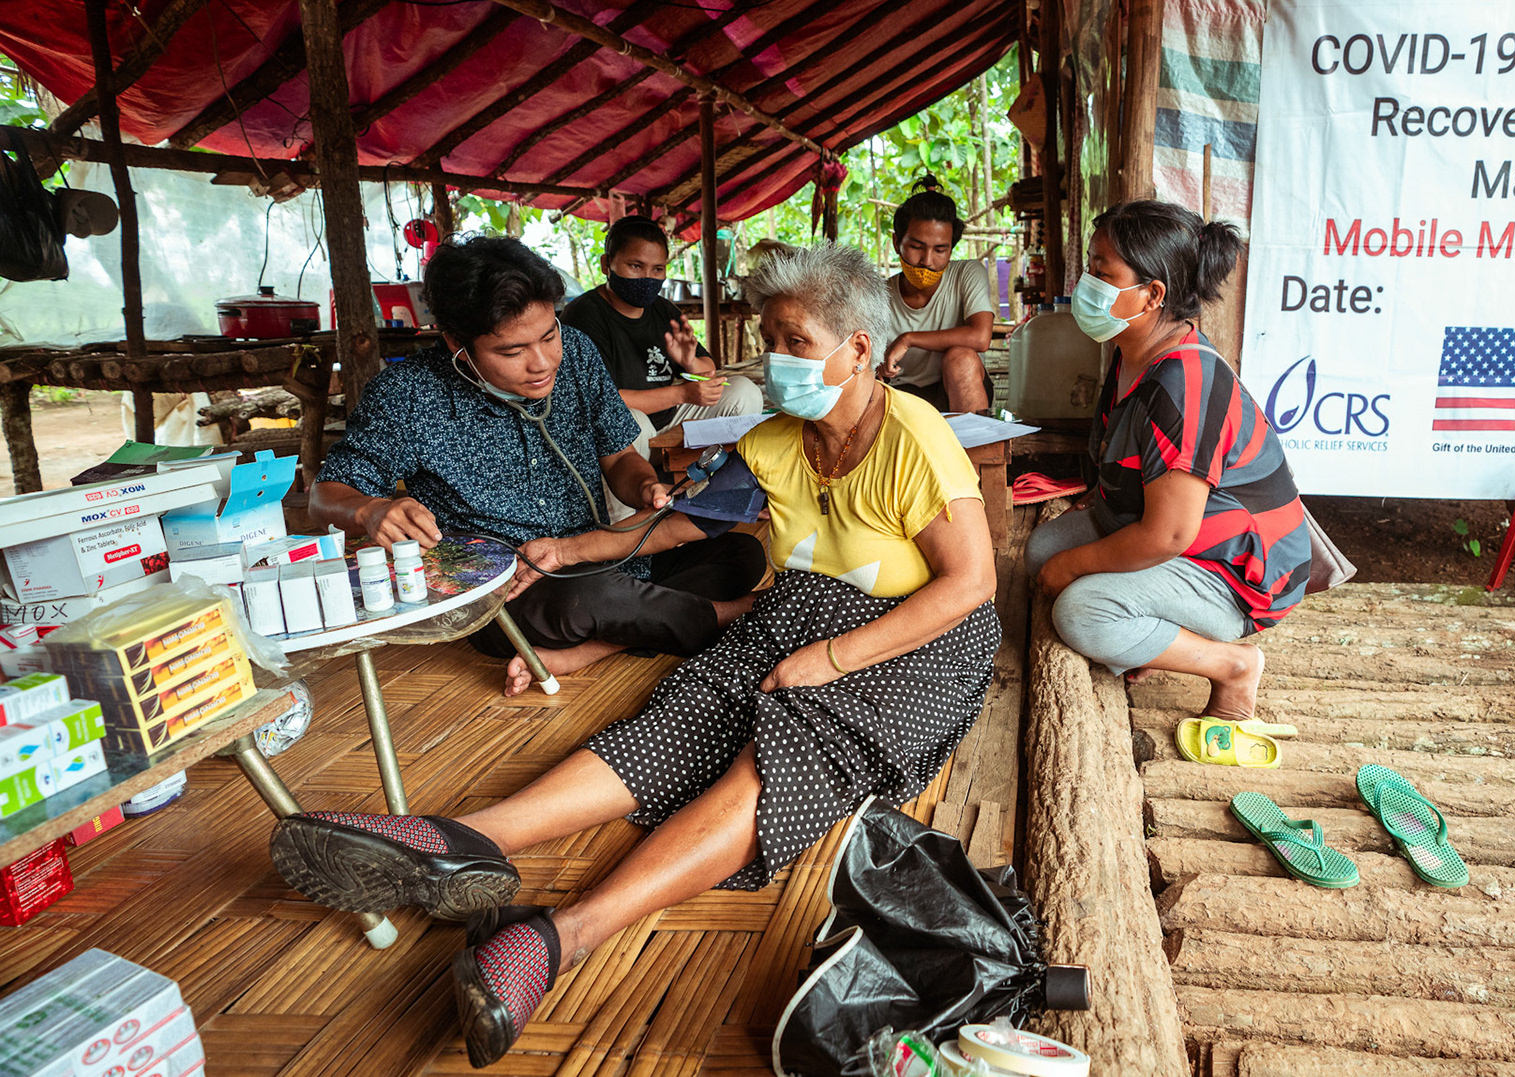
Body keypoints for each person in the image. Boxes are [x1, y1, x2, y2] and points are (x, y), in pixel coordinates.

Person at [268, 242, 1000, 1068]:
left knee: (779, 753)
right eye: (772, 338)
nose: (777, 359)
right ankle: (457, 837)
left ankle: (560, 935)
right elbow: (696, 522)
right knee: (680, 717)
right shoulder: (779, 438)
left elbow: (970, 582)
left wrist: (832, 658)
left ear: (858, 348)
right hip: (799, 610)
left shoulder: (916, 435)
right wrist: (573, 547)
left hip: (918, 637)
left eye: (797, 341)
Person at [311, 235, 767, 697]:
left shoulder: (579, 353)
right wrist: (370, 511)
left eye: (549, 336)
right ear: (456, 343)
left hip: (595, 554)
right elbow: (326, 494)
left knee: (741, 555)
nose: (543, 363)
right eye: (512, 352)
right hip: (508, 595)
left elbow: (620, 457)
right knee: (586, 599)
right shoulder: (408, 395)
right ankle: (743, 614)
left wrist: (646, 486)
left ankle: (594, 648)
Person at [1027, 200, 1310, 726]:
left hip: (1234, 574)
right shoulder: (1133, 349)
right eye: (1090, 266)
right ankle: (1157, 636)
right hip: (1168, 532)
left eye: (1101, 272)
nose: (1088, 282)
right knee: (1041, 550)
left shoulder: (1183, 383)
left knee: (1079, 609)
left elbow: (1169, 535)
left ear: (1152, 294)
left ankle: (1235, 664)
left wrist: (1075, 565)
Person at [561, 215, 764, 518]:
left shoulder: (662, 308)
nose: (648, 277)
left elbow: (708, 370)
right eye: (636, 266)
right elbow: (602, 402)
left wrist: (689, 362)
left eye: (657, 269)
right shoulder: (584, 315)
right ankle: (625, 527)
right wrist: (682, 394)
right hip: (623, 433)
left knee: (743, 392)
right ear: (607, 264)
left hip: (672, 421)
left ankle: (714, 496)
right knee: (633, 421)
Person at [879, 178, 995, 413]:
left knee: (961, 358)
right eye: (916, 247)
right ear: (896, 242)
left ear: (951, 249)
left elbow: (981, 337)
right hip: (901, 399)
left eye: (940, 250)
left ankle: (978, 449)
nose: (927, 261)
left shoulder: (967, 274)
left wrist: (908, 339)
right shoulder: (878, 295)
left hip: (957, 391)